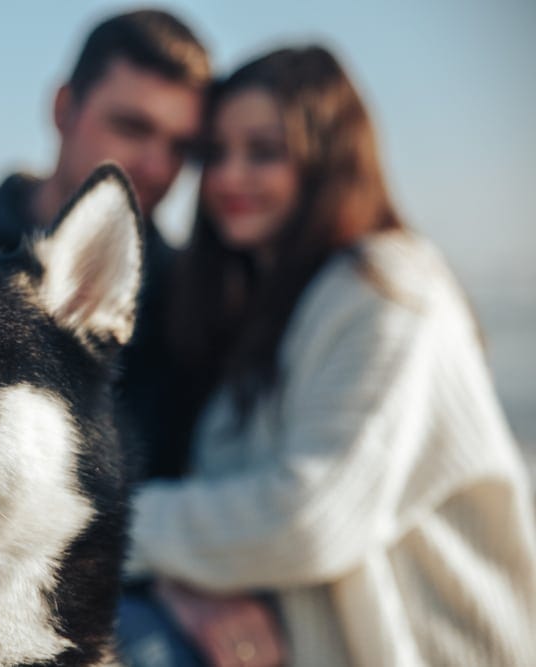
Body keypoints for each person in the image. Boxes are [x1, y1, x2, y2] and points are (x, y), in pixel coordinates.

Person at [121, 45, 536, 666]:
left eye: (264, 152)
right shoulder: (263, 303)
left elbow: (309, 517)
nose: (229, 178)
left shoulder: (389, 289)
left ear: (329, 158)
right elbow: (229, 508)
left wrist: (95, 519)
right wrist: (180, 584)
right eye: (215, 155)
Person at [0, 9, 210, 477]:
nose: (157, 167)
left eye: (180, 147)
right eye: (133, 127)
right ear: (63, 109)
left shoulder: (194, 295)